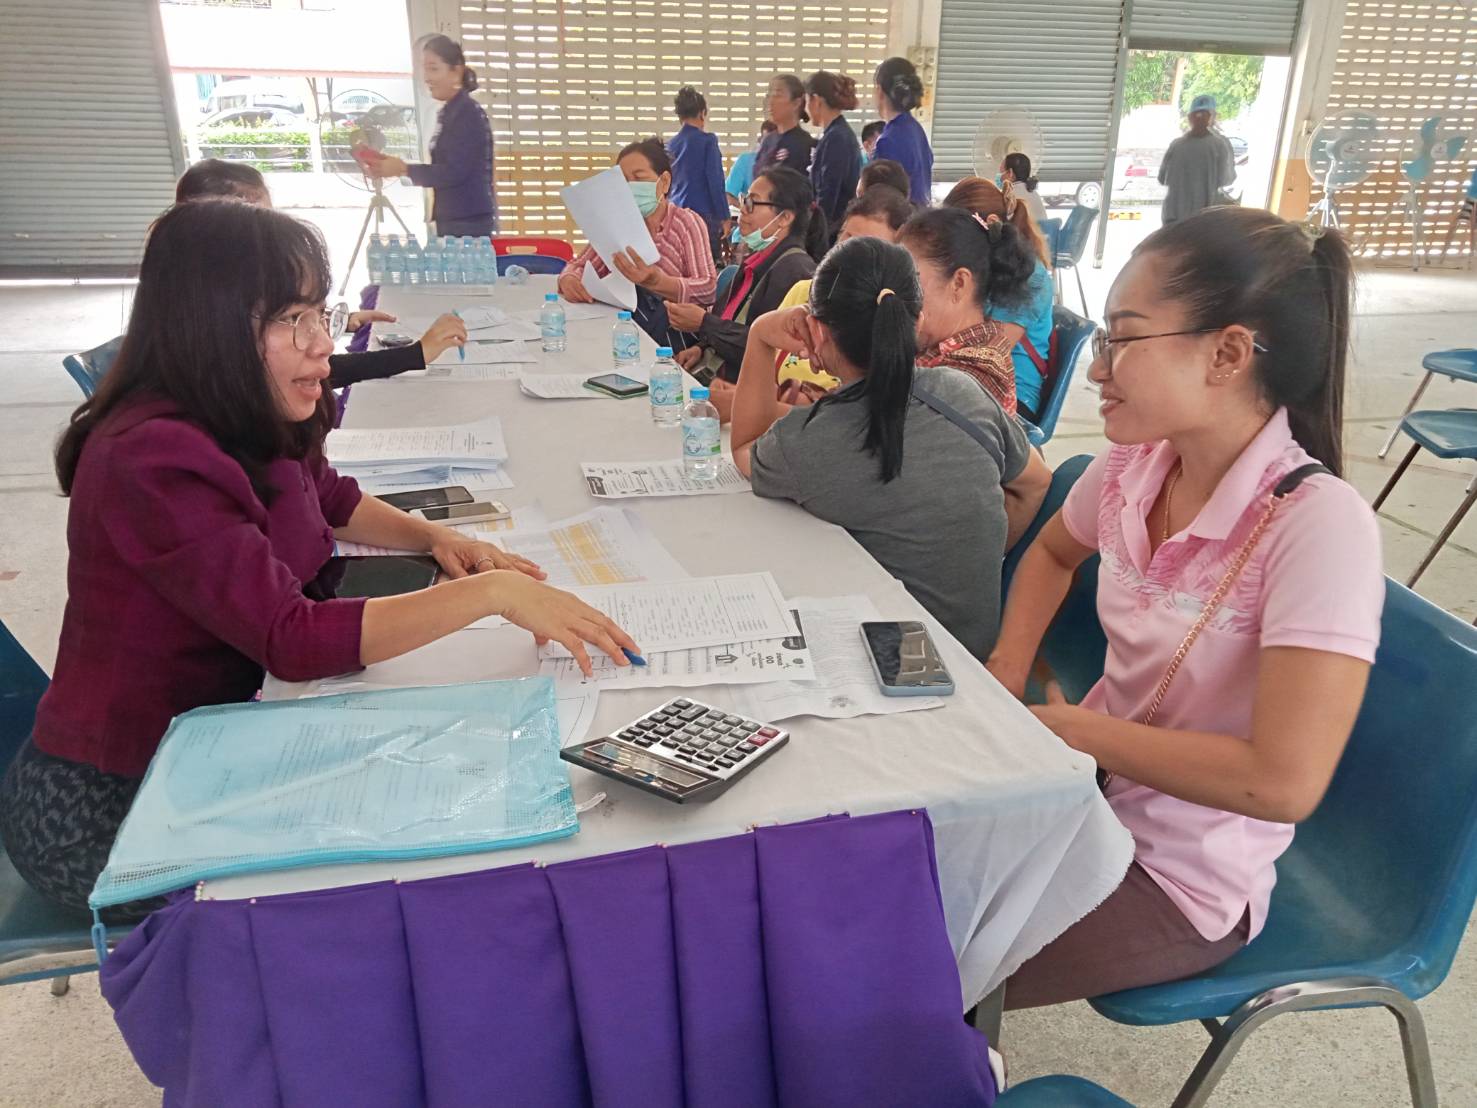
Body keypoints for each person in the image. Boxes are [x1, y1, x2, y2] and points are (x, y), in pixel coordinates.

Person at [0, 201, 638, 916]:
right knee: (386, 886)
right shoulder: (152, 458)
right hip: (118, 805)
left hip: (218, 745)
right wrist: (490, 595)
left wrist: (435, 539)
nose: (320, 347)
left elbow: (328, 496)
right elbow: (291, 639)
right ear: (210, 325)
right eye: (289, 320)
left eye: (318, 314)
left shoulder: (241, 405)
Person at [988, 207, 1380, 1007]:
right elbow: (1052, 555)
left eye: (1122, 339)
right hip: (1084, 796)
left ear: (1227, 353)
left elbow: (1281, 785)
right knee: (875, 885)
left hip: (1181, 875)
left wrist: (1079, 732)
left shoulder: (1317, 524)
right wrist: (1006, 668)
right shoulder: (1134, 464)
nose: (1097, 370)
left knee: (902, 968)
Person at [728, 237, 1049, 661]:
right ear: (916, 320)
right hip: (974, 653)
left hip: (883, 660)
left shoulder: (811, 440)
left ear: (817, 330)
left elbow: (744, 447)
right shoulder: (964, 393)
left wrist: (759, 338)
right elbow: (1036, 484)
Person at [174, 160, 468, 389]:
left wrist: (334, 321)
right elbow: (309, 373)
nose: (269, 238)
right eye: (257, 224)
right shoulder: (210, 346)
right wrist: (414, 355)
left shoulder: (203, 295)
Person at [665, 166, 827, 388]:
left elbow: (767, 346)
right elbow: (731, 324)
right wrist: (701, 349)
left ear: (784, 218)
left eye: (751, 203)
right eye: (742, 201)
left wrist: (704, 324)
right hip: (718, 376)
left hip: (740, 390)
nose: (742, 210)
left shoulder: (794, 271)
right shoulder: (757, 260)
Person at [556, 138, 716, 347]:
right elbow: (578, 265)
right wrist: (569, 280)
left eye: (638, 178)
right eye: (622, 181)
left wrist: (658, 282)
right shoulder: (616, 223)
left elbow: (708, 287)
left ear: (664, 182)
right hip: (626, 327)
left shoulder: (687, 223)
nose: (630, 187)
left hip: (674, 332)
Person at [775, 187, 918, 398]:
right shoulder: (803, 291)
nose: (845, 249)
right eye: (846, 235)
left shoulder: (890, 312)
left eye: (864, 245)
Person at [898, 207, 1038, 417]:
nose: (895, 295)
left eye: (908, 282)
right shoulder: (944, 346)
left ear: (959, 283)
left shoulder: (974, 376)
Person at [942, 178, 1054, 420]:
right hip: (974, 381)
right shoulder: (979, 263)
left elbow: (990, 354)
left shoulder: (1030, 275)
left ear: (990, 224)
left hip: (1014, 393)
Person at [363, 35, 496, 238]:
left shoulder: (467, 113)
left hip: (468, 224)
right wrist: (396, 167)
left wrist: (403, 169)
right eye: (425, 68)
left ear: (456, 71)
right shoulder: (451, 111)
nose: (427, 77)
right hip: (455, 218)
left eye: (434, 68)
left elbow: (454, 172)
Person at [668, 86, 729, 259]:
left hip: (676, 216)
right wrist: (724, 216)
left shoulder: (670, 146)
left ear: (679, 116)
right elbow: (715, 181)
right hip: (703, 217)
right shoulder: (707, 141)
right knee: (706, 264)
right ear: (702, 113)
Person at [1159, 94, 1235, 226]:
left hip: (1172, 219)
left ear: (1189, 118)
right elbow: (1226, 179)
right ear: (1212, 117)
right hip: (1201, 221)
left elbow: (1162, 178)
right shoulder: (1220, 145)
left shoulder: (1176, 145)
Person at [804, 72, 863, 237]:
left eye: (807, 101)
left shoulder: (837, 137)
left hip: (831, 230)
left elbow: (828, 192)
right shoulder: (834, 134)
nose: (806, 108)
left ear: (816, 101)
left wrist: (816, 233)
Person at [871, 57, 932, 204]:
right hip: (920, 218)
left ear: (879, 91)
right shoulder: (916, 130)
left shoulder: (888, 141)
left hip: (900, 222)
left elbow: (882, 201)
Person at [755, 75, 814, 174]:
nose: (770, 102)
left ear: (796, 103)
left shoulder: (805, 144)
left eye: (777, 96)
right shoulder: (767, 141)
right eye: (769, 95)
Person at [726, 121, 778, 207]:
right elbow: (729, 196)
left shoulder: (788, 161)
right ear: (760, 140)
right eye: (766, 141)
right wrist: (746, 209)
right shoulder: (745, 160)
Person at [1001, 152, 1048, 226]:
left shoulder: (1009, 196)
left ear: (1010, 173)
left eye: (1001, 172)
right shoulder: (1034, 194)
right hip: (1041, 236)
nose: (999, 176)